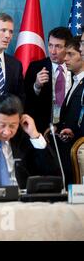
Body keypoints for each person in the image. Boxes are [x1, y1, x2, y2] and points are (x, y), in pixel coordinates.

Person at [24, 27, 72, 134]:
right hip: (42, 129)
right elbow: (26, 100)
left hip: (69, 129)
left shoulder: (75, 69)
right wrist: (36, 86)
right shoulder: (35, 67)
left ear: (67, 47)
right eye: (50, 45)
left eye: (58, 47)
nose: (53, 51)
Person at [52, 36, 84, 185]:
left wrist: (74, 132)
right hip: (68, 148)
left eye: (71, 54)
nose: (65, 59)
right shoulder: (76, 81)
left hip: (78, 149)